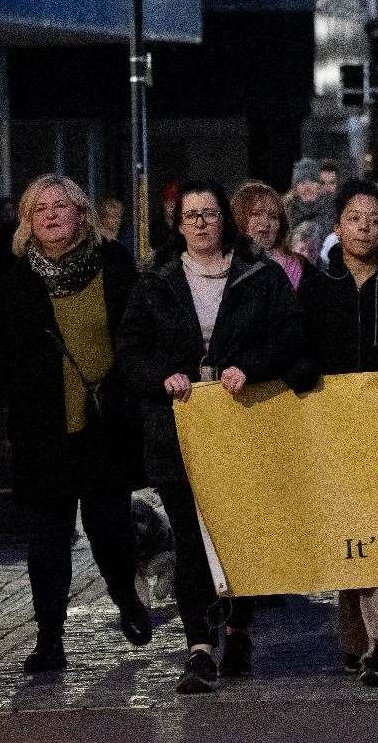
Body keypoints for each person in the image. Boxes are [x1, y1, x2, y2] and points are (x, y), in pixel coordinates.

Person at [116, 180, 306, 694]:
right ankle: (198, 645)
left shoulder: (260, 276)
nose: (200, 223)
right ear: (178, 226)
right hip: (177, 426)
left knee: (238, 531)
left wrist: (252, 366)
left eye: (210, 213)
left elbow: (289, 337)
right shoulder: (155, 280)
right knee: (189, 533)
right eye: (191, 215)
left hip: (244, 421)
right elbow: (130, 349)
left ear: (227, 220)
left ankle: (238, 627)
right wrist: (163, 376)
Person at [0, 174, 150, 674]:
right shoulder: (16, 281)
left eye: (62, 206)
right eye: (40, 209)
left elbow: (139, 334)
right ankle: (49, 639)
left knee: (110, 531)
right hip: (43, 431)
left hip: (105, 426)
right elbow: (0, 359)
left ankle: (126, 598)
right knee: (48, 541)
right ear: (28, 222)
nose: (52, 215)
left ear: (82, 213)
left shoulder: (115, 265)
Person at [296, 179, 378, 686]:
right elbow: (296, 342)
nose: (364, 228)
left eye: (374, 220)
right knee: (346, 535)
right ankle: (355, 637)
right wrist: (301, 369)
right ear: (337, 226)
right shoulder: (318, 288)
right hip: (332, 429)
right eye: (354, 219)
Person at [232, 180, 307, 290]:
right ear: (238, 218)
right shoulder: (218, 264)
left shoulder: (295, 267)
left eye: (273, 217)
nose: (266, 222)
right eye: (256, 213)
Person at [286, 158, 335, 251]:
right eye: (302, 182)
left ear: (319, 186)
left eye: (313, 181)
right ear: (295, 188)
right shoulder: (286, 213)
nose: (308, 187)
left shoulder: (332, 213)